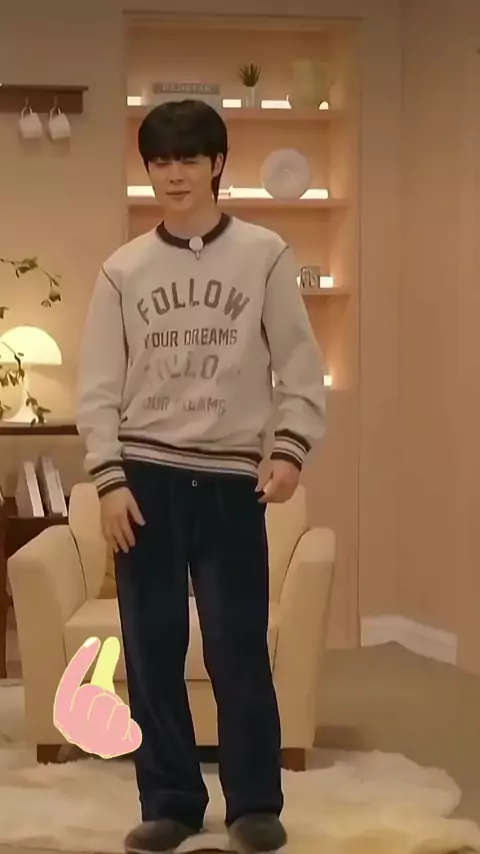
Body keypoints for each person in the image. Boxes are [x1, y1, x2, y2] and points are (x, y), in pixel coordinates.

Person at [77, 99, 326, 854]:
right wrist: (108, 480)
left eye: (188, 158)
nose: (174, 174)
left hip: (229, 486)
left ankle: (253, 803)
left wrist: (290, 449)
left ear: (217, 164)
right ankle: (171, 802)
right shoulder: (123, 270)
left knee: (236, 647)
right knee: (150, 650)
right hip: (144, 481)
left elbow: (300, 364)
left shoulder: (266, 255)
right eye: (160, 161)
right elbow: (98, 386)